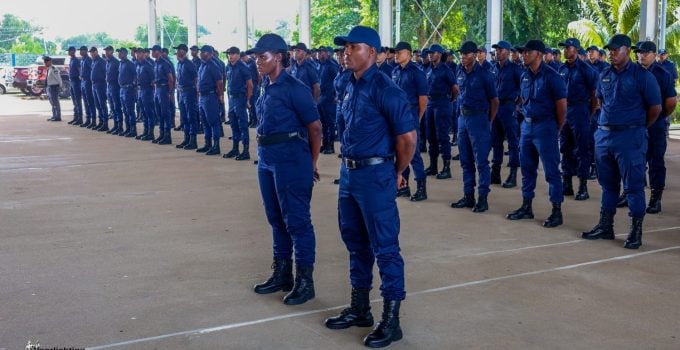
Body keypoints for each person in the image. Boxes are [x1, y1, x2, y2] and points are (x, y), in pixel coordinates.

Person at [324, 26, 417, 349]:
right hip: (349, 174)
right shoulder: (347, 84)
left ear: (373, 53)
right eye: (345, 47)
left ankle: (391, 321)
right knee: (355, 242)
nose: (346, 52)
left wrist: (397, 171)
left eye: (353, 47)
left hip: (376, 175)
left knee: (385, 247)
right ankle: (360, 308)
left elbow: (407, 139)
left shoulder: (386, 89)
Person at [246, 33, 322, 306]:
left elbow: (315, 129)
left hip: (291, 158)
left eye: (262, 57)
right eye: (255, 57)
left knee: (297, 221)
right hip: (267, 158)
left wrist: (311, 163)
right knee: (276, 218)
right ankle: (282, 273)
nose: (257, 61)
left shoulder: (294, 87)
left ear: (279, 57)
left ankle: (305, 281)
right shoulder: (266, 85)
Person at [582, 34, 662, 249]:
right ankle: (605, 225)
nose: (611, 53)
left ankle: (635, 230)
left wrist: (638, 127)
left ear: (628, 50)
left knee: (633, 186)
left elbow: (656, 109)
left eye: (616, 49)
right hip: (605, 136)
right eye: (610, 50)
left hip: (630, 137)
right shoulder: (605, 74)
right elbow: (601, 100)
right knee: (608, 185)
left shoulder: (642, 76)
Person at [506, 40, 567, 228]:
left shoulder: (552, 76)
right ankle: (527, 206)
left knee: (551, 171)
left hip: (545, 127)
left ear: (539, 54)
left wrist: (555, 129)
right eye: (523, 52)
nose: (523, 55)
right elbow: (524, 99)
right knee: (527, 169)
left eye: (527, 52)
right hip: (527, 126)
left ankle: (556, 211)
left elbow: (562, 108)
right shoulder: (524, 75)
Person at [626, 41, 676, 214]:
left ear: (654, 54)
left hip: (655, 124)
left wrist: (660, 117)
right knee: (632, 161)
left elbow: (670, 102)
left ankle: (656, 197)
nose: (641, 56)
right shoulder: (630, 72)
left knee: (655, 161)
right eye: (639, 52)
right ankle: (629, 193)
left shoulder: (663, 74)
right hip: (634, 124)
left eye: (645, 53)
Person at [450, 41, 499, 213]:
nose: (463, 56)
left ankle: (483, 198)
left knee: (481, 161)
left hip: (479, 119)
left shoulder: (485, 75)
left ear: (475, 54)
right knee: (465, 160)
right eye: (461, 54)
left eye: (466, 54)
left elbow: (494, 101)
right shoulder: (459, 71)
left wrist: (488, 122)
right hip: (463, 118)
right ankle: (468, 196)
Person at [557, 38, 598, 201]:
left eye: (568, 48)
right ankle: (567, 183)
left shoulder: (586, 69)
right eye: (564, 48)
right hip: (566, 110)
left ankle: (583, 186)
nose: (565, 50)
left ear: (576, 49)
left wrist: (589, 114)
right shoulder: (561, 69)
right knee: (565, 146)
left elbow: (595, 94)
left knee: (582, 149)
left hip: (580, 109)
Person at [392, 41, 429, 201]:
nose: (396, 55)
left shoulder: (417, 72)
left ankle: (421, 188)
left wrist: (418, 118)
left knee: (413, 154)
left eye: (399, 53)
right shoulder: (395, 71)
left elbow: (423, 99)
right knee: (400, 152)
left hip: (411, 114)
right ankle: (403, 186)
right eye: (395, 53)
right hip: (397, 115)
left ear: (408, 53)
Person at [490, 40, 522, 189]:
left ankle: (513, 174)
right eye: (497, 50)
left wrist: (516, 105)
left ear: (508, 52)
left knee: (512, 141)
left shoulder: (515, 69)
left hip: (508, 107)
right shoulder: (493, 68)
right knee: (496, 141)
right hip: (495, 107)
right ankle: (495, 172)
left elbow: (523, 89)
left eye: (501, 50)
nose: (498, 52)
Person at [424, 44, 458, 180]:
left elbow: (455, 88)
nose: (430, 55)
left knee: (442, 137)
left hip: (442, 104)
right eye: (429, 53)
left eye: (433, 53)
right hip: (430, 104)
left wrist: (449, 100)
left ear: (439, 54)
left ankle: (446, 167)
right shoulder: (429, 69)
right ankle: (433, 166)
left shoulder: (446, 70)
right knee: (431, 136)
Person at [222, 46, 254, 160]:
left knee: (243, 124)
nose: (230, 56)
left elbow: (250, 85)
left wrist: (248, 100)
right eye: (229, 54)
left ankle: (245, 150)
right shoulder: (228, 66)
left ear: (238, 55)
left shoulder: (243, 67)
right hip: (231, 99)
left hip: (240, 99)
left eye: (232, 54)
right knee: (233, 124)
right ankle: (235, 148)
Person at [196, 45, 225, 155]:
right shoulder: (202, 65)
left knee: (213, 122)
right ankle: (207, 144)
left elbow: (219, 82)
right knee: (205, 122)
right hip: (203, 97)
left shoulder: (213, 65)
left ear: (208, 53)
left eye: (202, 52)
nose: (200, 54)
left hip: (210, 96)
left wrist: (220, 95)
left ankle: (216, 146)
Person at [174, 44, 199, 149]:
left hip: (189, 92)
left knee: (191, 116)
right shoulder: (179, 64)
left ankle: (193, 141)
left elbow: (195, 79)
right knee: (184, 116)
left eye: (179, 50)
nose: (177, 52)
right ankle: (186, 138)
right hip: (181, 92)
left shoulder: (189, 64)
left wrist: (196, 94)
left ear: (184, 51)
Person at [151, 45, 175, 145]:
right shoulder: (156, 63)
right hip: (157, 89)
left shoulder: (165, 63)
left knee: (165, 113)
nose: (152, 53)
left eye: (153, 51)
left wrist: (170, 93)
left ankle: (167, 136)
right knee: (159, 113)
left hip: (164, 89)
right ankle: (161, 134)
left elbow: (170, 79)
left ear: (158, 52)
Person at [318, 46, 340, 154]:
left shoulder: (332, 65)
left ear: (328, 54)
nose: (320, 54)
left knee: (330, 123)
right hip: (322, 98)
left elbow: (337, 80)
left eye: (323, 52)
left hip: (330, 98)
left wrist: (335, 95)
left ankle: (331, 146)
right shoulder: (321, 65)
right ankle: (325, 144)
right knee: (323, 123)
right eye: (319, 52)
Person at [135, 48, 156, 141]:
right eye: (136, 53)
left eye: (139, 53)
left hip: (147, 90)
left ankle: (150, 133)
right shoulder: (138, 65)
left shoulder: (148, 65)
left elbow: (153, 79)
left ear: (143, 54)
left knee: (148, 112)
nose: (137, 55)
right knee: (143, 112)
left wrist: (150, 89)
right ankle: (145, 131)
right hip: (140, 90)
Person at [117, 47, 137, 137]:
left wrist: (133, 84)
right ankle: (128, 128)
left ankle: (133, 130)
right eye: (118, 53)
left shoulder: (130, 64)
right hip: (122, 89)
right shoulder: (121, 63)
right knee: (124, 110)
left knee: (130, 110)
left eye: (120, 53)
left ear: (125, 54)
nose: (119, 54)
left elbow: (135, 75)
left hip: (128, 89)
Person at [104, 46, 123, 135]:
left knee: (117, 107)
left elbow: (119, 75)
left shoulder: (116, 62)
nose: (106, 52)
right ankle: (115, 126)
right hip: (109, 86)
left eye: (108, 51)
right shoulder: (108, 62)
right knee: (112, 108)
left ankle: (120, 127)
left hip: (115, 86)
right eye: (106, 51)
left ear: (111, 52)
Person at [90, 47, 108, 131]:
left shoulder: (101, 61)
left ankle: (105, 124)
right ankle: (101, 122)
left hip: (100, 84)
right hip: (94, 85)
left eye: (93, 52)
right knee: (97, 105)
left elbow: (105, 73)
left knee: (102, 105)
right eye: (91, 52)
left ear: (97, 52)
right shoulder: (93, 61)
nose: (92, 54)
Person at [79, 46, 96, 128]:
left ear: (85, 51)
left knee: (90, 102)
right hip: (83, 81)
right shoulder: (83, 59)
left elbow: (92, 70)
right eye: (80, 50)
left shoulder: (88, 60)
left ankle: (93, 121)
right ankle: (88, 119)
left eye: (82, 50)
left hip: (88, 82)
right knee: (85, 102)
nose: (80, 52)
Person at [66, 47, 83, 125]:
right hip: (72, 81)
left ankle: (80, 118)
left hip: (76, 81)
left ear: (73, 51)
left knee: (77, 100)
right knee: (74, 101)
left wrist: (80, 76)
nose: (68, 52)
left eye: (69, 51)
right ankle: (75, 117)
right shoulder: (71, 60)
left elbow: (79, 70)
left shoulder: (76, 60)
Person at [44, 56, 62, 122]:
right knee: (52, 102)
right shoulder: (49, 69)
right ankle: (54, 115)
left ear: (50, 61)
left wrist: (60, 85)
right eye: (44, 62)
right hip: (50, 87)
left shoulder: (54, 69)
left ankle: (58, 116)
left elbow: (58, 78)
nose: (45, 63)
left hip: (54, 87)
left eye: (46, 62)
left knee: (55, 102)